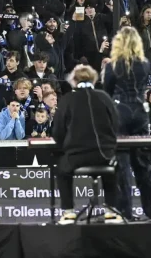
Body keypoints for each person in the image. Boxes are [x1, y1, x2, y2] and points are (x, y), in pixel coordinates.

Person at [52, 64, 121, 225]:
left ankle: (68, 212)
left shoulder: (67, 99)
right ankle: (111, 211)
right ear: (94, 79)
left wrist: (65, 146)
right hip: (104, 154)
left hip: (76, 155)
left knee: (62, 169)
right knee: (113, 168)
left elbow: (58, 132)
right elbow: (116, 125)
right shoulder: (104, 97)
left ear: (73, 81)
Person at [102, 26, 151, 221]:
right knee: (144, 163)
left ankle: (125, 212)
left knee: (122, 165)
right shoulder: (145, 64)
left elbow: (107, 93)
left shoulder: (112, 66)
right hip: (140, 112)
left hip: (120, 112)